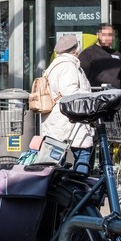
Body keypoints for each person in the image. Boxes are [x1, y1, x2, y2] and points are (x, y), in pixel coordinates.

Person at [39, 34, 94, 173]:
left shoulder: (55, 66)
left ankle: (56, 190)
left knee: (55, 160)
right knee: (83, 154)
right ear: (75, 50)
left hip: (57, 121)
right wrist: (89, 98)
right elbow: (70, 93)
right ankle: (79, 190)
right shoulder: (68, 66)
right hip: (71, 120)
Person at [79, 23, 121, 91]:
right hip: (97, 97)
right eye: (104, 35)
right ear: (97, 35)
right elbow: (81, 78)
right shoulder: (88, 54)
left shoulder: (117, 55)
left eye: (110, 35)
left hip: (117, 97)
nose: (107, 38)